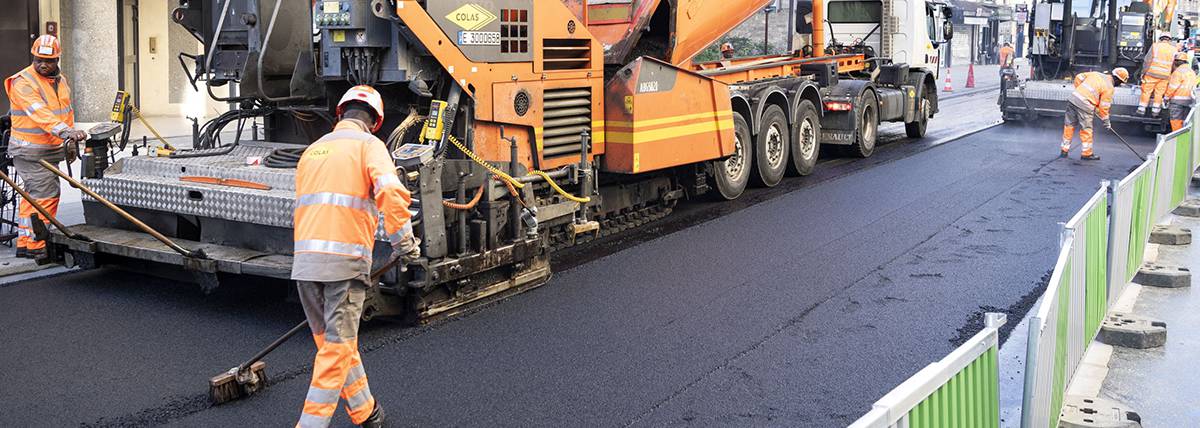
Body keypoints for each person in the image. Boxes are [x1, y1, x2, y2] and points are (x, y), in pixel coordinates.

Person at [292, 85, 420, 428]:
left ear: (340, 113)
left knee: (336, 346)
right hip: (343, 267)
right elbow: (391, 192)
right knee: (336, 352)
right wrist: (404, 243)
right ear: (375, 121)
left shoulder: (313, 151)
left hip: (305, 267)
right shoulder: (369, 146)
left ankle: (366, 413)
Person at [3, 35, 85, 259]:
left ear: (57, 59)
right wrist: (65, 132)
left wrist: (68, 143)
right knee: (46, 194)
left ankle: (26, 242)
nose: (42, 64)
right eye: (38, 59)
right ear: (33, 57)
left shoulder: (60, 81)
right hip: (30, 151)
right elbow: (40, 114)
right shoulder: (23, 82)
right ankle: (37, 245)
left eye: (48, 61)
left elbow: (65, 112)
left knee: (34, 196)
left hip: (48, 149)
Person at [1061, 68, 1128, 161]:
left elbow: (1078, 77)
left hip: (1073, 99)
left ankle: (1064, 150)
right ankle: (1086, 154)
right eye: (1120, 82)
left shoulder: (1096, 74)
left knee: (1069, 125)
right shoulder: (1109, 87)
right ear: (1117, 79)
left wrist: (1080, 91)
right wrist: (1106, 121)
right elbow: (1104, 107)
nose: (1119, 85)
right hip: (1085, 104)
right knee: (1086, 129)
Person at [1138, 35, 1178, 115]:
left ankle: (1141, 109)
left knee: (1146, 91)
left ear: (1160, 39)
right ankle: (1155, 111)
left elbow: (1147, 60)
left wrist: (1143, 72)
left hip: (1151, 74)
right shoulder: (1174, 49)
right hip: (1165, 76)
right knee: (1159, 93)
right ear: (1169, 40)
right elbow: (1174, 64)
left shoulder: (1155, 46)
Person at [1164, 52, 1196, 131]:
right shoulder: (1191, 72)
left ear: (1175, 62)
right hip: (1189, 101)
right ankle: (1185, 140)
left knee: (1176, 122)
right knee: (1186, 123)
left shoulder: (1178, 72)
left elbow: (1172, 87)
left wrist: (1166, 98)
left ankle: (1178, 139)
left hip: (1177, 102)